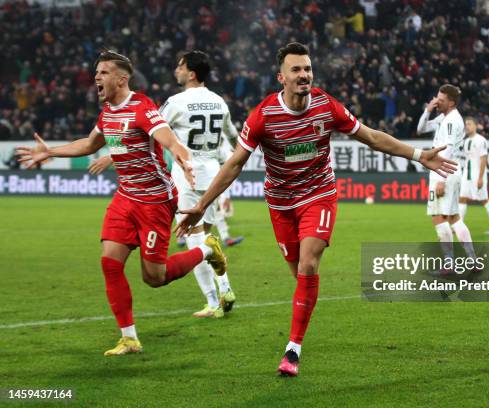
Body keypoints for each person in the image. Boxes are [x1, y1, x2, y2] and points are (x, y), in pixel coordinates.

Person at [175, 42, 457, 377]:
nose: (304, 75)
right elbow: (235, 163)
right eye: (296, 69)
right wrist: (201, 205)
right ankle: (301, 314)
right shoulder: (264, 115)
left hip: (318, 195)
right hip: (280, 203)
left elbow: (369, 136)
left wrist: (417, 154)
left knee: (309, 264)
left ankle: (292, 349)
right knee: (300, 275)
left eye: (307, 68)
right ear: (282, 77)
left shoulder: (327, 106)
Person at [16, 50, 227, 355]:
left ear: (121, 78)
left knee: (154, 278)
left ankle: (207, 248)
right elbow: (90, 144)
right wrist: (50, 153)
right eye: (96, 72)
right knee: (109, 262)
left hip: (155, 200)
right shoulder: (108, 112)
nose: (96, 77)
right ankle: (129, 338)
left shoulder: (142, 107)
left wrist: (184, 161)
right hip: (125, 198)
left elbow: (170, 140)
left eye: (102, 72)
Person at [89, 51, 240, 318]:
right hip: (214, 174)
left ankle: (213, 301)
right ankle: (225, 287)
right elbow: (233, 138)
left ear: (191, 73)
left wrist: (112, 155)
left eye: (180, 67)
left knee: (193, 238)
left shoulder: (176, 102)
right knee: (205, 232)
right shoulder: (219, 102)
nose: (176, 70)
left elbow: (144, 131)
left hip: (187, 173)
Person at [417, 84, 476, 273]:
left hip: (444, 171)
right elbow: (420, 129)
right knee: (454, 218)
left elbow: (449, 147)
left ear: (451, 102)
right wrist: (428, 109)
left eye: (441, 100)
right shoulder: (444, 117)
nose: (437, 102)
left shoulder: (451, 121)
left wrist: (442, 177)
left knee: (438, 217)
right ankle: (472, 261)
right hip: (449, 171)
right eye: (436, 98)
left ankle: (449, 263)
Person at [458, 117, 489, 235]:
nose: (467, 126)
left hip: (477, 175)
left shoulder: (480, 140)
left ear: (476, 126)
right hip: (467, 175)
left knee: (484, 200)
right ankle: (459, 225)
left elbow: (483, 159)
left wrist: (480, 177)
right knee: (461, 198)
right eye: (466, 124)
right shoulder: (466, 141)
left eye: (469, 124)